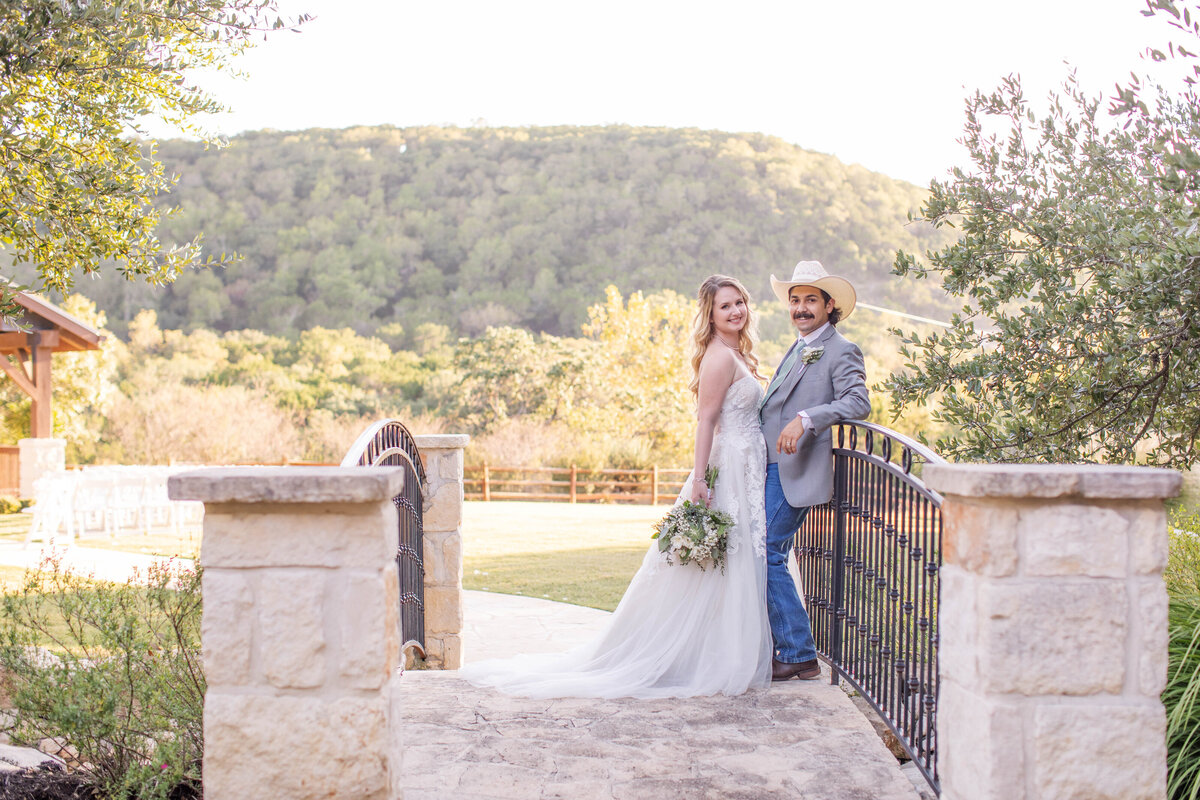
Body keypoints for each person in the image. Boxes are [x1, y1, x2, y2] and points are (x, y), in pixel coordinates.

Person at [459, 275, 773, 698]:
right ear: (710, 315)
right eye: (725, 306)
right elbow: (706, 421)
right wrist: (699, 479)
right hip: (730, 466)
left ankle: (724, 648)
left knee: (739, 561)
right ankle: (703, 655)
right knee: (726, 561)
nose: (736, 311)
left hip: (749, 466)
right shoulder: (719, 358)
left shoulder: (740, 353)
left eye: (740, 303)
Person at [758, 261, 871, 681]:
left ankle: (798, 652)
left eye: (810, 300)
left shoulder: (842, 350)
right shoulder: (798, 345)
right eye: (795, 301)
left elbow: (858, 402)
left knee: (766, 550)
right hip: (768, 468)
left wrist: (808, 418)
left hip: (796, 470)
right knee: (769, 551)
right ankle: (783, 644)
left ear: (829, 305)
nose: (801, 308)